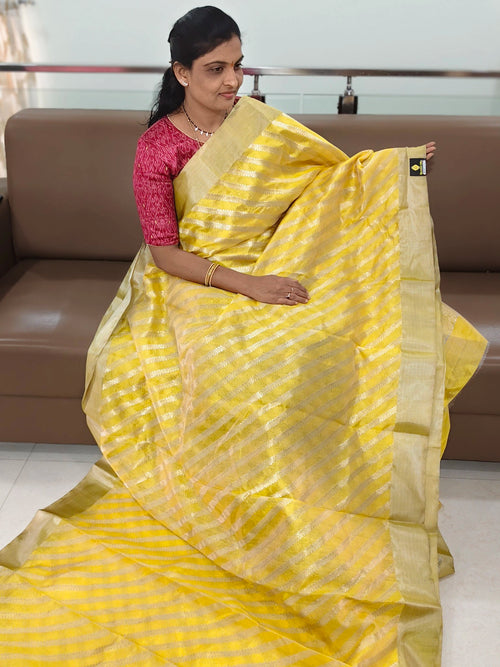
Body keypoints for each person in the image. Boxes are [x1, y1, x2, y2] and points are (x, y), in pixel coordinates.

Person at [0, 6, 485, 666]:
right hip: (190, 283)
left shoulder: (254, 120)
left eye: (237, 64)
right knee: (246, 366)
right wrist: (248, 285)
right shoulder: (158, 147)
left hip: (267, 261)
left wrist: (401, 169)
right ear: (181, 73)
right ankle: (241, 513)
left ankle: (322, 511)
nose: (232, 81)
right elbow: (164, 251)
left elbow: (324, 181)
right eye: (215, 69)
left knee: (331, 339)